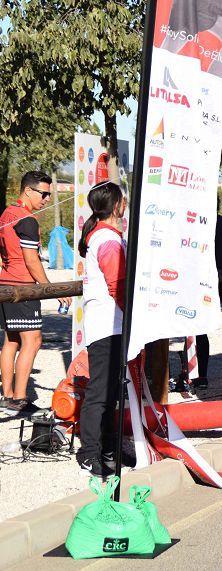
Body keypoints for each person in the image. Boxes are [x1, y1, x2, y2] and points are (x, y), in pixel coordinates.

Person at [0, 172, 71, 414]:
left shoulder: (6, 214)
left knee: (11, 340)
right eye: (44, 194)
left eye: (50, 194)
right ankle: (19, 399)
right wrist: (50, 289)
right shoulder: (27, 219)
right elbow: (31, 260)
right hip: (23, 287)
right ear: (28, 191)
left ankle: (7, 394)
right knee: (33, 340)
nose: (47, 199)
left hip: (6, 284)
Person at [76, 182, 128, 478]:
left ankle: (109, 449)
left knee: (111, 393)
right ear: (117, 204)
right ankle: (89, 454)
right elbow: (117, 284)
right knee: (100, 392)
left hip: (112, 323)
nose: (126, 204)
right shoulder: (106, 238)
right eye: (124, 200)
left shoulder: (106, 236)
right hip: (108, 324)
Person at [189, 206, 222, 390]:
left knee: (195, 328)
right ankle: (199, 374)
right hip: (218, 282)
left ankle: (196, 374)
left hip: (199, 281)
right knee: (200, 329)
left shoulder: (199, 223)